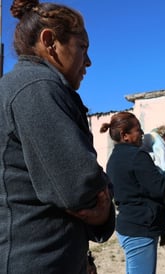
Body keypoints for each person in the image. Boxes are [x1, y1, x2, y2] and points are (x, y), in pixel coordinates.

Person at [0, 1, 115, 273]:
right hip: (38, 260)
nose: (88, 61)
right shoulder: (36, 87)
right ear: (50, 41)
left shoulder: (26, 86)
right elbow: (80, 187)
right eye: (82, 47)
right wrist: (104, 205)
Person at [100, 112, 165, 274]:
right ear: (125, 135)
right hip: (140, 228)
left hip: (129, 225)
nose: (142, 133)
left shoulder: (113, 158)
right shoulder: (137, 156)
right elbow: (160, 187)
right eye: (138, 130)